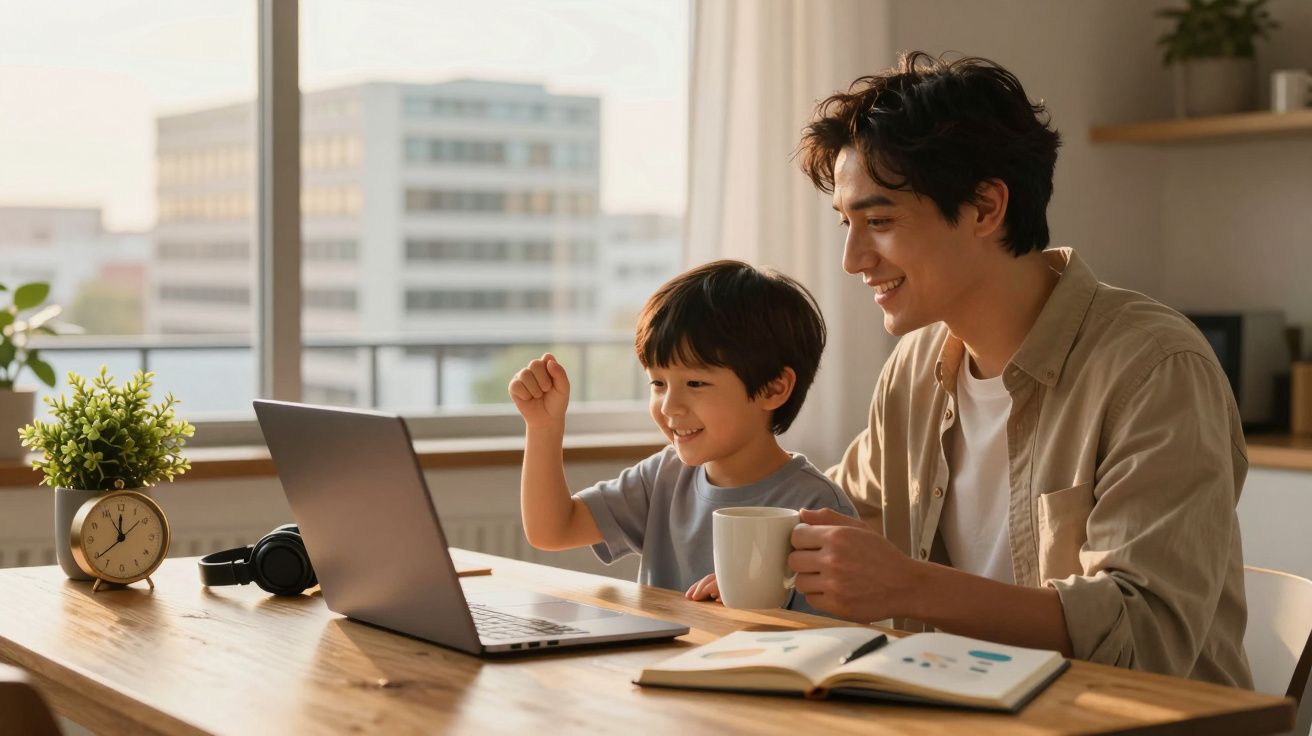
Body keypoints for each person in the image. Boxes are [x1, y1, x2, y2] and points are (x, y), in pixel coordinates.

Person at [787, 51, 1251, 686]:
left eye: (879, 221)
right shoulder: (915, 368)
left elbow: (1141, 636)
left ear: (984, 208)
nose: (852, 258)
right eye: (846, 223)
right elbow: (838, 509)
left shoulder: (1155, 369)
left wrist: (910, 586)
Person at [508, 259, 856, 613]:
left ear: (772, 388)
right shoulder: (663, 477)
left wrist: (757, 604)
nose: (669, 406)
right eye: (658, 383)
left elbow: (836, 644)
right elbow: (551, 530)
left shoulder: (818, 509)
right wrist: (544, 428)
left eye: (695, 383)